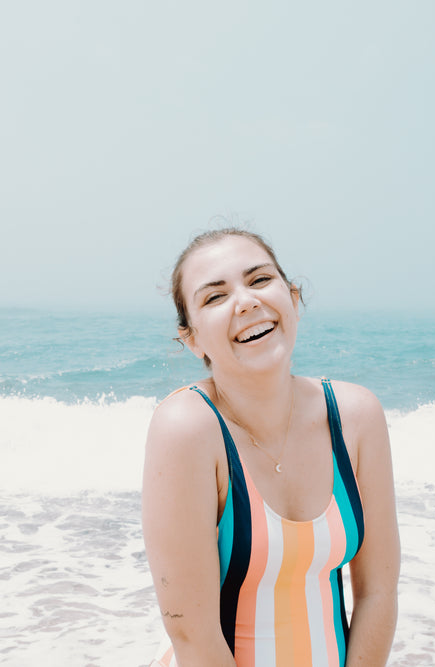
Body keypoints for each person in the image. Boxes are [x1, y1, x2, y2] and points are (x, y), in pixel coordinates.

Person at [142, 228, 400, 667]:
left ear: (293, 298)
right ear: (192, 340)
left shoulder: (356, 417)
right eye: (214, 297)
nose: (246, 301)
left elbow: (378, 592)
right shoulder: (188, 429)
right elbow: (193, 635)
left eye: (260, 280)